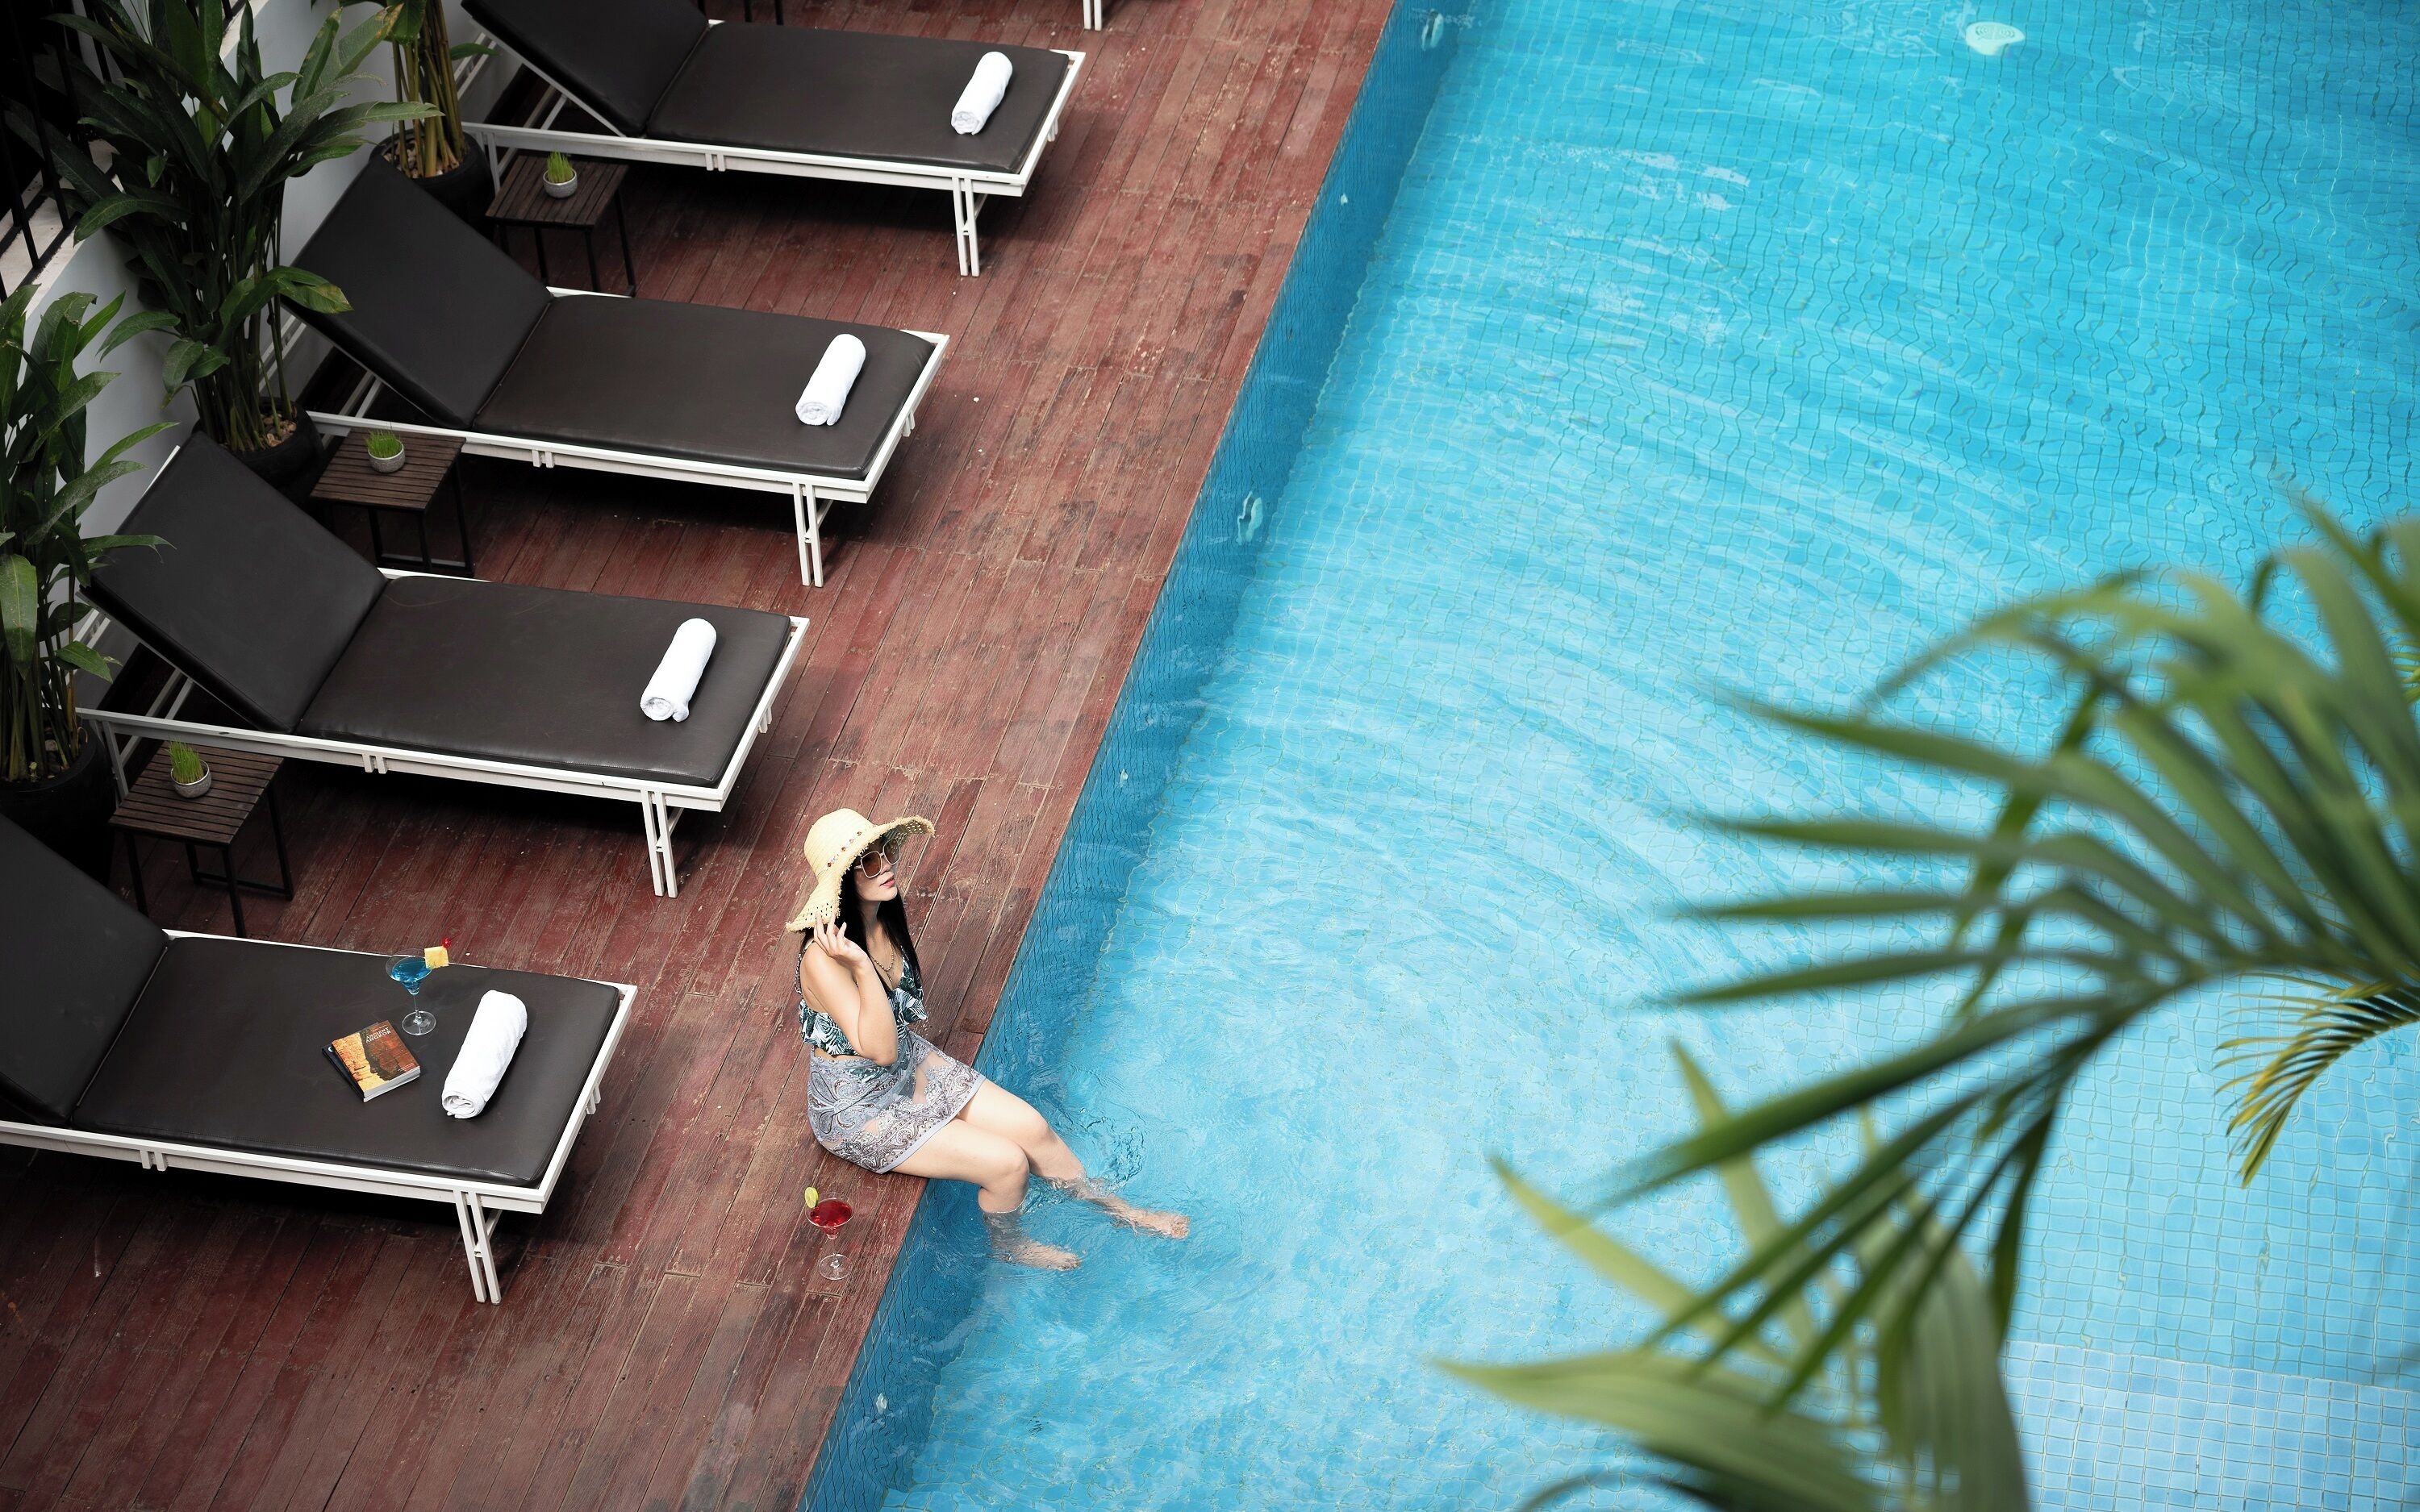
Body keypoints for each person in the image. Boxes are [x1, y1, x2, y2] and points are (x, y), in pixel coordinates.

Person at [789, 809, 1187, 1268]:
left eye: (887, 853)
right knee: (1007, 1164)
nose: (888, 865)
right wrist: (859, 966)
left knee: (1033, 1127)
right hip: (857, 1107)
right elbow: (879, 1050)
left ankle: (1120, 1211)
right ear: (841, 883)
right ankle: (1009, 1246)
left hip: (906, 1067)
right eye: (871, 862)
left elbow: (900, 1036)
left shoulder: (881, 920)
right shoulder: (823, 958)